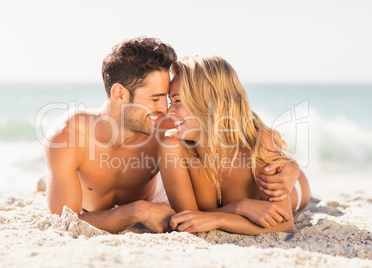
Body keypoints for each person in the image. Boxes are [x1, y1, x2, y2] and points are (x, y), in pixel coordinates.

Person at [44, 37, 303, 234]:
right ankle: (48, 180)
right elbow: (63, 221)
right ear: (120, 94)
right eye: (157, 98)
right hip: (129, 201)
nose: (164, 108)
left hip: (164, 195)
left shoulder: (167, 127)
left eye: (169, 98)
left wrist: (292, 166)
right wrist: (138, 211)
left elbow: (226, 118)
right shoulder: (68, 137)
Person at [158, 55, 311, 235]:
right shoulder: (173, 146)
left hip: (296, 189)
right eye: (170, 101)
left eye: (177, 100)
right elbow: (188, 219)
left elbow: (284, 225)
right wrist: (239, 207)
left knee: (282, 166)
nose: (169, 111)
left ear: (208, 102)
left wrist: (219, 218)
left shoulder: (257, 143)